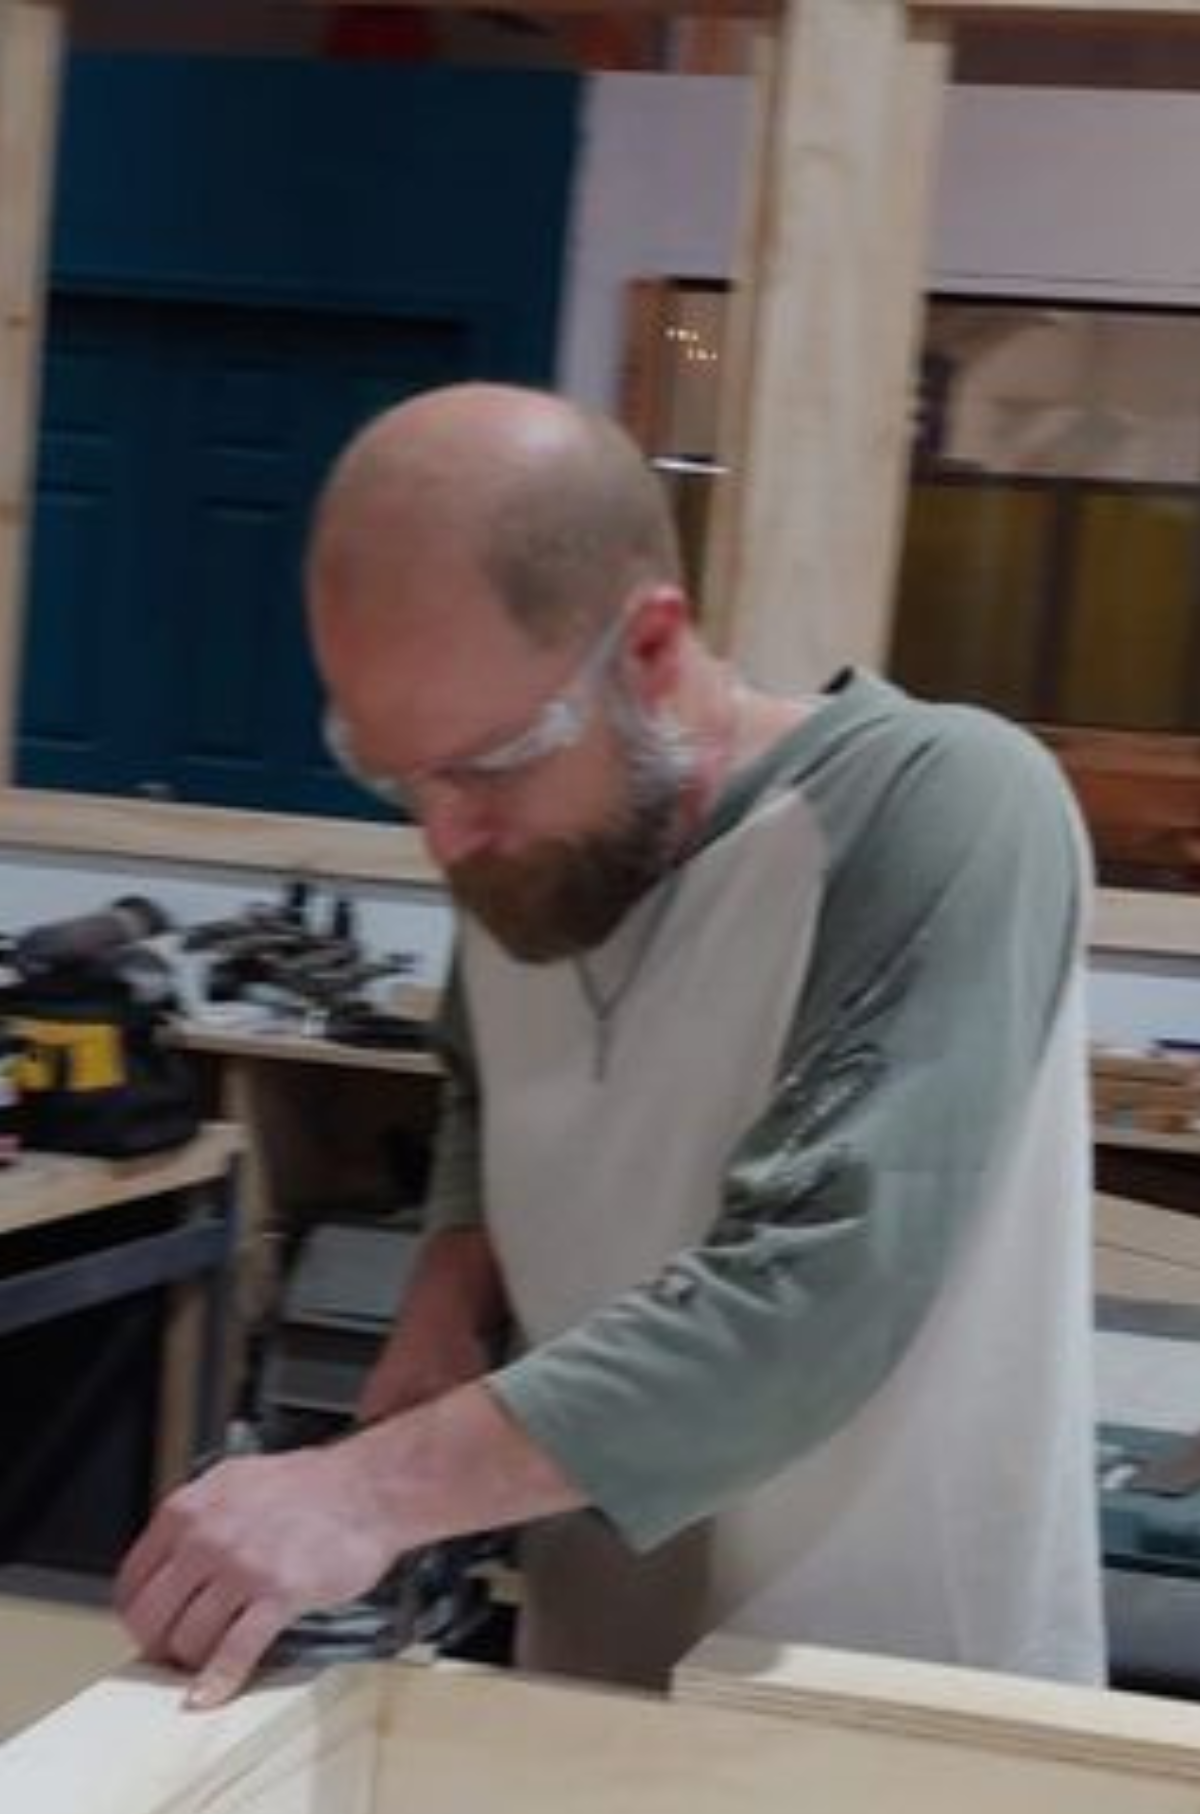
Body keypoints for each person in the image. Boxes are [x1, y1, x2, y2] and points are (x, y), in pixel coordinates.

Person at [117, 382, 1102, 1707]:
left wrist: (363, 1493)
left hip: (897, 1697)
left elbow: (815, 1298)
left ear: (649, 647)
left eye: (483, 765)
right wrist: (451, 1288)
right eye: (399, 777)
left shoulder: (943, 805)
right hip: (599, 1675)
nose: (443, 838)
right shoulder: (538, 852)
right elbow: (488, 1074)